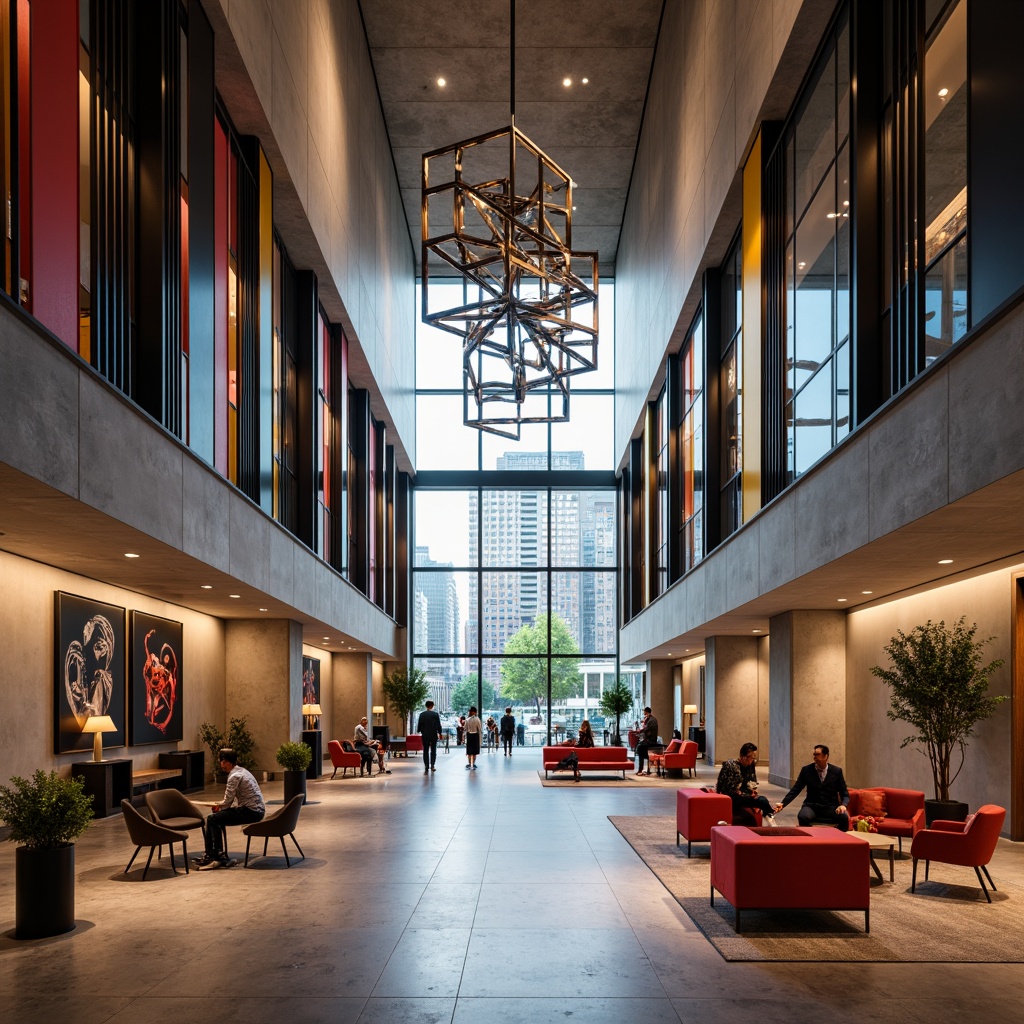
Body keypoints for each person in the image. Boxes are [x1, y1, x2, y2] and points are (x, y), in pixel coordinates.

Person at [194, 749, 265, 869]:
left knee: (212, 819)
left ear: (225, 762)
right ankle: (216, 854)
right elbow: (233, 801)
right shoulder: (242, 771)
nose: (220, 764)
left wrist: (217, 805)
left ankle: (214, 856)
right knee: (217, 818)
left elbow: (227, 801)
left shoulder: (234, 776)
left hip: (251, 812)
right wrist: (222, 808)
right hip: (256, 810)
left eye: (221, 761)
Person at [774, 743, 850, 831]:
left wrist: (843, 805)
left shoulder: (836, 771)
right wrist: (783, 804)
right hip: (812, 806)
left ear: (826, 756)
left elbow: (844, 793)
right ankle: (810, 840)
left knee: (844, 817)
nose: (815, 757)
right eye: (814, 755)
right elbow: (796, 789)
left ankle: (838, 841)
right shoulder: (806, 770)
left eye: (818, 755)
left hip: (830, 807)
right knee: (802, 816)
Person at [716, 742, 777, 825]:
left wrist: (753, 792)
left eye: (753, 758)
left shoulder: (751, 766)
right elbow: (727, 789)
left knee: (761, 801)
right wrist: (745, 795)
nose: (751, 761)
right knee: (762, 801)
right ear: (742, 756)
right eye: (749, 757)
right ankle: (769, 815)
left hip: (744, 795)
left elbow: (752, 783)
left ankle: (769, 815)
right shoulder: (731, 766)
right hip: (732, 797)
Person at [416, 700, 443, 773]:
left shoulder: (422, 714)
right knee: (433, 750)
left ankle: (426, 766)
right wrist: (440, 733)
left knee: (425, 750)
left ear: (426, 706)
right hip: (433, 734)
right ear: (432, 706)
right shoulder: (435, 714)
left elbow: (419, 724)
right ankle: (432, 765)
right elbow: (438, 725)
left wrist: (419, 730)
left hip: (425, 734)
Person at [635, 706, 659, 775]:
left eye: (644, 713)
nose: (644, 714)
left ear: (647, 712)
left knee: (640, 748)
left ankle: (640, 769)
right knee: (640, 747)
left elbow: (646, 729)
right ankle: (642, 768)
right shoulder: (650, 719)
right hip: (648, 740)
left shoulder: (652, 720)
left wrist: (640, 730)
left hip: (651, 741)